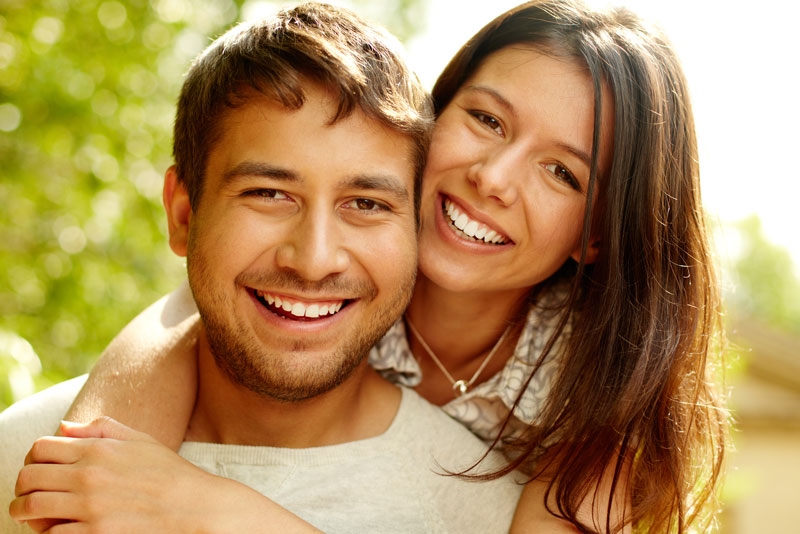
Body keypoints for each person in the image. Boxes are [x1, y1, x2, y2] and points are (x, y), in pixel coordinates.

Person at [8, 0, 729, 532]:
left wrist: (212, 508)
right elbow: (181, 321)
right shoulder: (345, 273)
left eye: (562, 173)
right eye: (486, 119)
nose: (494, 177)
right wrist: (87, 470)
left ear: (594, 238)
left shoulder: (600, 398)